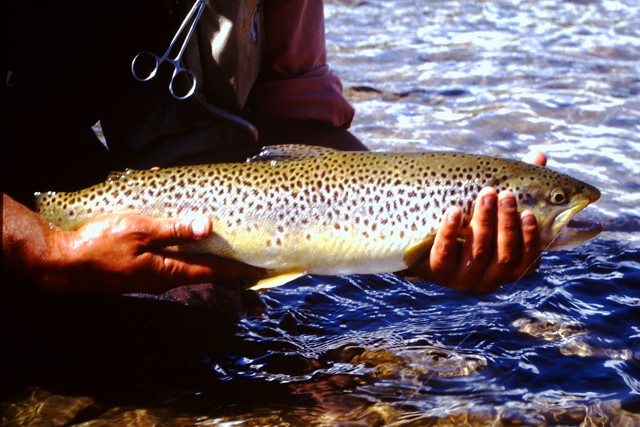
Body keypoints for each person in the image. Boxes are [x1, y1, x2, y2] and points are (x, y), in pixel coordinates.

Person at [1, 0, 546, 315]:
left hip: (71, 158)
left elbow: (297, 122)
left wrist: (410, 239)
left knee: (194, 316)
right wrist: (45, 248)